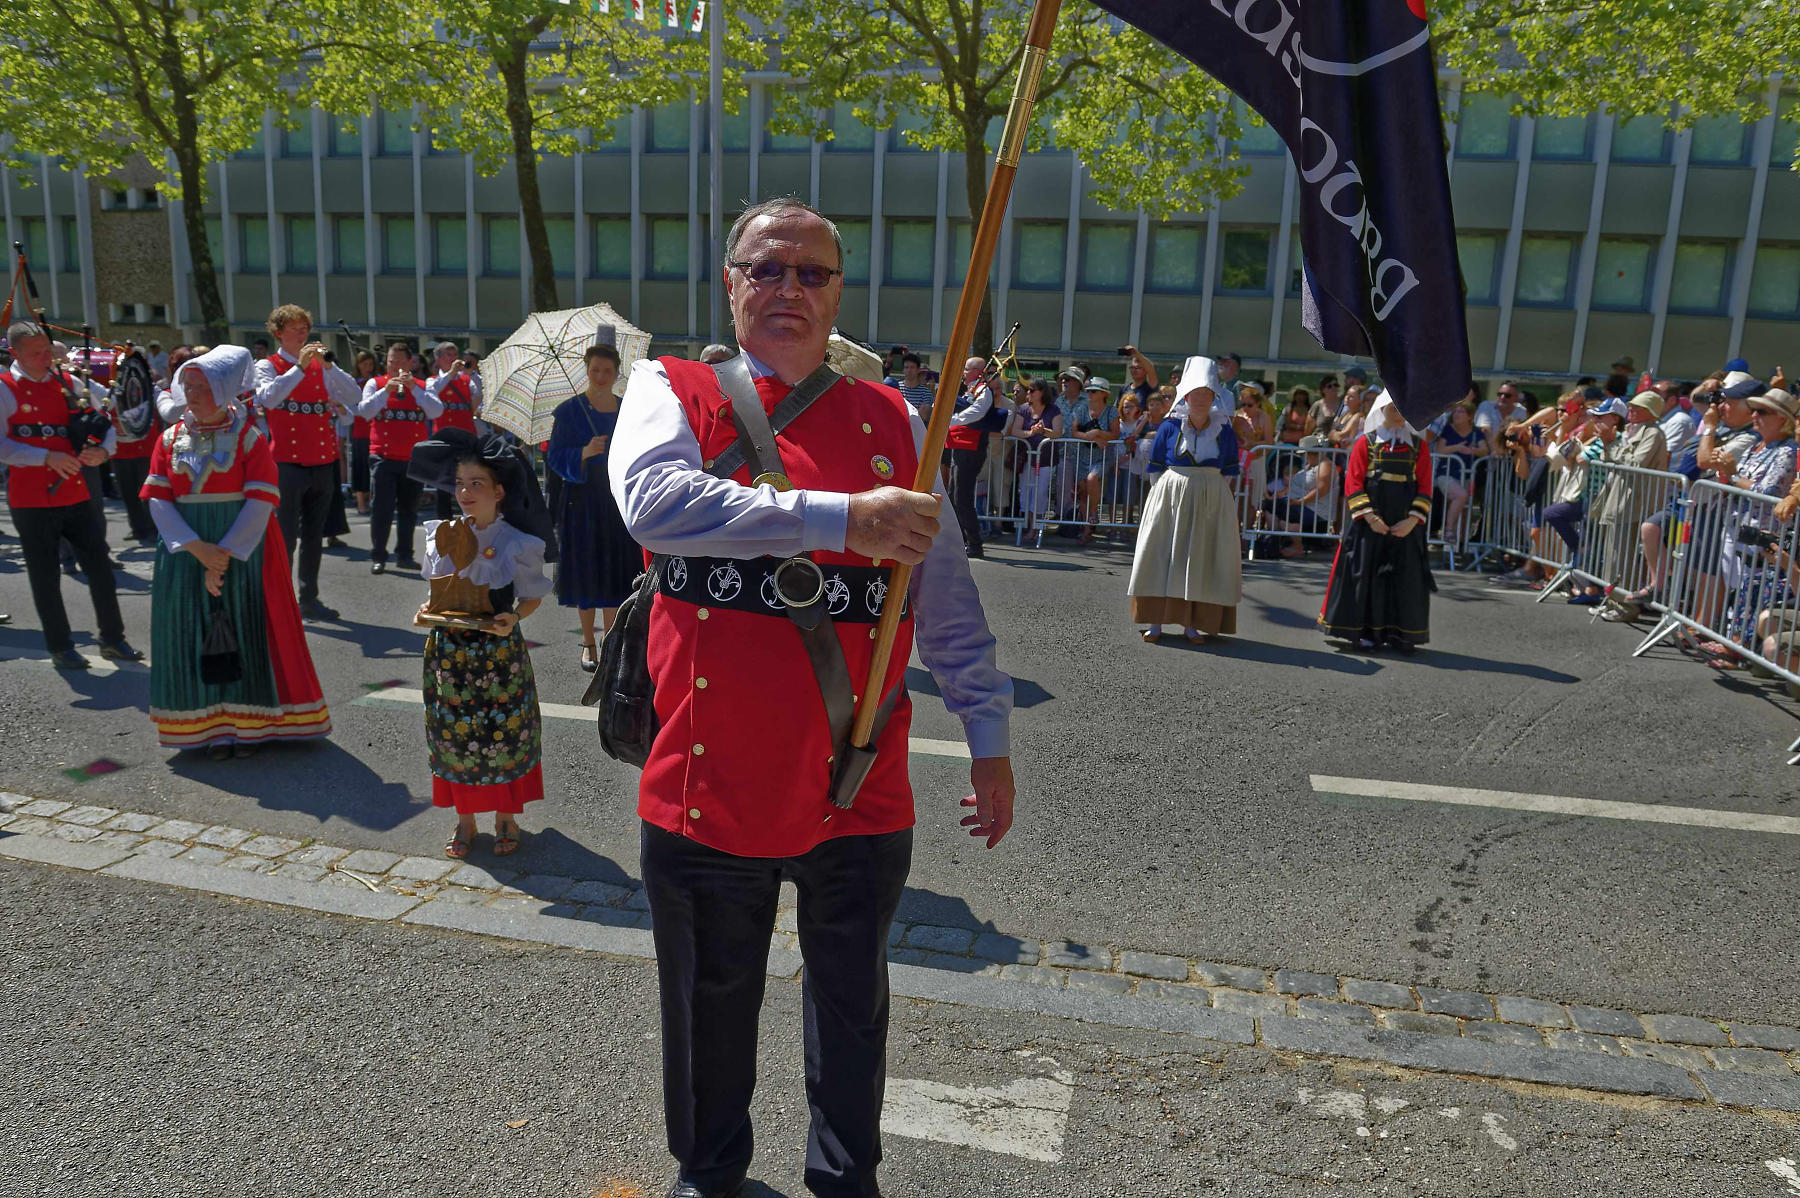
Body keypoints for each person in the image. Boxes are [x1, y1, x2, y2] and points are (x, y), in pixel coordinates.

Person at [608, 196, 1014, 1198]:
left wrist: (990, 736)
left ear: (838, 292)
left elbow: (949, 601)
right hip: (708, 782)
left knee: (852, 1007)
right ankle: (710, 1173)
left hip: (857, 775)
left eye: (812, 272)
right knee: (710, 1002)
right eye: (766, 267)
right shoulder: (673, 387)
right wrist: (843, 518)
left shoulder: (896, 423)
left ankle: (846, 1179)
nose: (788, 287)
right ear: (730, 282)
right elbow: (652, 503)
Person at [141, 345, 330, 756]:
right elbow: (157, 497)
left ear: (224, 390)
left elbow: (261, 500)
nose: (190, 395)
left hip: (245, 551)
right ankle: (206, 727)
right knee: (191, 632)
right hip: (186, 552)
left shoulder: (249, 439)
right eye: (186, 386)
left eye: (201, 387)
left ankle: (248, 727)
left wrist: (223, 554)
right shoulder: (169, 438)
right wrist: (196, 549)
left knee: (244, 630)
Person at [414, 437, 550, 857]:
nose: (465, 493)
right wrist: (427, 609)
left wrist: (516, 617)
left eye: (476, 484)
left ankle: (506, 818)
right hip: (449, 650)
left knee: (504, 734)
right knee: (454, 735)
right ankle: (465, 820)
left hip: (497, 652)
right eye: (459, 483)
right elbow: (436, 594)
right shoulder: (441, 535)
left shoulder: (516, 541)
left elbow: (530, 595)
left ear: (498, 491)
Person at [0, 321, 141, 670]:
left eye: (48, 350)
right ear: (15, 353)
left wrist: (103, 452)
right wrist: (44, 457)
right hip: (31, 497)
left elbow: (103, 421)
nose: (46, 358)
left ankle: (112, 639)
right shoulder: (4, 388)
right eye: (36, 353)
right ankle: (61, 646)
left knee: (100, 570)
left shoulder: (68, 383)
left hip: (76, 493)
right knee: (45, 577)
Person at [250, 304, 362, 621]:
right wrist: (298, 368)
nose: (302, 335)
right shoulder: (267, 365)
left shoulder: (321, 367)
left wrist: (329, 367)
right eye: (295, 329)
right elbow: (267, 398)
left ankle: (308, 597)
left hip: (321, 461)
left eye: (305, 329)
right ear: (278, 333)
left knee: (314, 536)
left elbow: (354, 396)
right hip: (287, 463)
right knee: (284, 538)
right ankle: (277, 599)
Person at [1127, 356, 1242, 644]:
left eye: (1206, 393)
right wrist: (1161, 500)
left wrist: (1212, 495)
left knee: (1199, 558)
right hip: (1171, 496)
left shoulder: (1224, 429)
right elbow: (1155, 466)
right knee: (1163, 555)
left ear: (1214, 396)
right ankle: (1155, 622)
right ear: (1186, 396)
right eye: (1196, 394)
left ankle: (1192, 623)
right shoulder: (1169, 427)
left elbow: (1228, 468)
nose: (1201, 399)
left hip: (1210, 499)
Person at [1319, 391, 1436, 653]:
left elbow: (1425, 486)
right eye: (1393, 408)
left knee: (1404, 578)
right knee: (1368, 575)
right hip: (1370, 522)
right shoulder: (1366, 442)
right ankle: (1366, 632)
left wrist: (1412, 521)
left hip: (1405, 523)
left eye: (1402, 409)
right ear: (1382, 410)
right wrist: (1370, 517)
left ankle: (1402, 633)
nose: (1398, 414)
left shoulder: (1419, 446)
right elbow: (1353, 482)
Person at [547, 344, 639, 672]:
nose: (600, 377)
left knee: (616, 574)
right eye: (595, 370)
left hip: (617, 502)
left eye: (607, 371)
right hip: (582, 505)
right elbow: (554, 457)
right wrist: (583, 454)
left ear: (616, 374)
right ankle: (588, 641)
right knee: (586, 574)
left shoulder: (629, 409)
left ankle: (610, 640)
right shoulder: (569, 411)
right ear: (586, 370)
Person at [359, 340, 442, 573]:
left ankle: (405, 554)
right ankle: (378, 555)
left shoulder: (423, 385)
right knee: (381, 509)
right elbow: (365, 411)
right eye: (390, 362)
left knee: (409, 509)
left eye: (398, 362)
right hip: (383, 456)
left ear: (409, 363)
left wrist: (413, 389)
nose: (394, 367)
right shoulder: (375, 383)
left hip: (412, 457)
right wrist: (386, 391)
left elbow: (436, 411)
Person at [946, 355, 999, 559]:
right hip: (960, 447)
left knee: (962, 497)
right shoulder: (971, 390)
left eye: (967, 369)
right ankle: (961, 540)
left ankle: (975, 543)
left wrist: (953, 420)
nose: (963, 373)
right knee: (954, 495)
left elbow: (977, 413)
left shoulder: (983, 391)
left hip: (971, 448)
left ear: (978, 372)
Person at [425, 339, 485, 519]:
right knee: (443, 480)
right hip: (443, 436)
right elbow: (432, 392)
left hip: (466, 435)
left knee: (469, 477)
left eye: (454, 355)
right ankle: (443, 520)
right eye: (448, 355)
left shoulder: (467, 380)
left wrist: (471, 373)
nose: (453, 358)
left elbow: (481, 392)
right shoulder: (433, 380)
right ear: (438, 359)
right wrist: (450, 374)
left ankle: (470, 516)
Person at [1263, 433, 1337, 557]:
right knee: (1269, 505)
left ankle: (1297, 546)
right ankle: (1275, 541)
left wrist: (1301, 501)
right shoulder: (1309, 465)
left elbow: (1322, 489)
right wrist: (1277, 495)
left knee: (1287, 512)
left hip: (1316, 509)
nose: (1304, 456)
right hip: (1299, 503)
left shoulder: (1325, 465)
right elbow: (1293, 487)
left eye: (1306, 453)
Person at [1008, 376, 1062, 537]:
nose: (1028, 393)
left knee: (1040, 491)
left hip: (1046, 459)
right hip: (1026, 458)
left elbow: (1058, 433)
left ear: (1042, 392)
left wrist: (1044, 431)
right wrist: (1031, 432)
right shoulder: (1023, 409)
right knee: (1025, 491)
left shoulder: (1053, 410)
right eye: (1028, 390)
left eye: (1032, 390)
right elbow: (1014, 431)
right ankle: (1028, 525)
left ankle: (1036, 526)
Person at [349, 348, 378, 514]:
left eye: (371, 364)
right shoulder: (355, 384)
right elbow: (352, 407)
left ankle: (371, 499)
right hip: (360, 431)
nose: (369, 367)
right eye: (365, 364)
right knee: (360, 467)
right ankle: (361, 502)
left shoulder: (376, 383)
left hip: (375, 431)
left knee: (373, 468)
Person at [894, 351, 935, 419]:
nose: (909, 370)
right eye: (906, 367)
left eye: (912, 367)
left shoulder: (926, 392)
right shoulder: (896, 388)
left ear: (918, 369)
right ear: (903, 370)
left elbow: (923, 416)